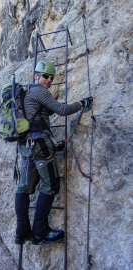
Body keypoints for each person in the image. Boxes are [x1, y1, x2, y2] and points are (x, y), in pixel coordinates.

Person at [15, 60, 93, 245]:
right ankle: (40, 232)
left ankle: (21, 232)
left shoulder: (26, 93)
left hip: (26, 148)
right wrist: (82, 103)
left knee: (23, 188)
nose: (49, 80)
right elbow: (63, 110)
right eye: (45, 76)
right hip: (39, 146)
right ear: (36, 75)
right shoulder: (39, 91)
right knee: (50, 185)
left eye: (51, 77)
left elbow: (37, 120)